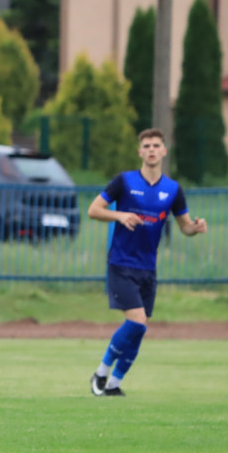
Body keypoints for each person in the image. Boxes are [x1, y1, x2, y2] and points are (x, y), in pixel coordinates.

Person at [87, 128, 207, 397]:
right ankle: (101, 373)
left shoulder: (173, 189)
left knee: (140, 330)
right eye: (147, 146)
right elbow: (93, 210)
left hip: (147, 269)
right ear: (140, 152)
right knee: (137, 322)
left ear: (164, 151)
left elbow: (184, 226)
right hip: (121, 263)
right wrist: (120, 216)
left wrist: (195, 227)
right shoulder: (124, 181)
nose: (152, 150)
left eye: (156, 146)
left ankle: (115, 384)